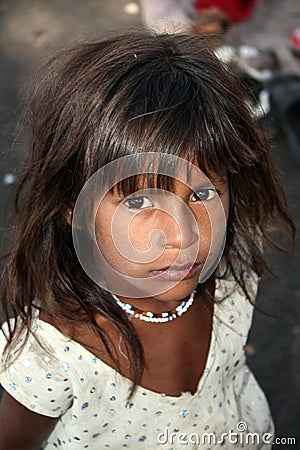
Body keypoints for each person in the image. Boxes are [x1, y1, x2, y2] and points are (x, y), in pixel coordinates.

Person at [0, 29, 295, 450]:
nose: (182, 235)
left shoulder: (232, 276)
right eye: (139, 202)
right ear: (74, 208)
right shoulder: (52, 357)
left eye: (203, 194)